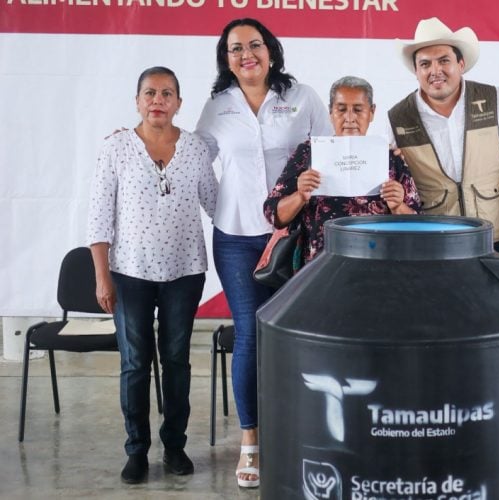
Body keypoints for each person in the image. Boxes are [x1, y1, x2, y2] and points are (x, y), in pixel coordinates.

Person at [194, 18, 332, 488]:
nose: (246, 54)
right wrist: (145, 138)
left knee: (296, 333)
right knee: (251, 333)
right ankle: (251, 440)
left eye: (254, 45)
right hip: (236, 238)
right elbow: (195, 159)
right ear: (226, 59)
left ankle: (297, 430)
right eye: (236, 48)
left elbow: (331, 152)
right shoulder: (218, 106)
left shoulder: (302, 98)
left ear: (271, 51)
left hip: (295, 235)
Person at [87, 66, 217, 484]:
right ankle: (137, 450)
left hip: (185, 271)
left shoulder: (195, 149)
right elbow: (99, 217)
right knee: (135, 363)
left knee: (176, 360)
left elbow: (216, 204)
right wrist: (102, 276)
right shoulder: (116, 148)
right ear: (137, 101)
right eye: (149, 93)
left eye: (166, 93)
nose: (157, 100)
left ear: (179, 102)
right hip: (129, 273)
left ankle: (174, 445)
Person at [388, 17, 499, 252]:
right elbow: (387, 170)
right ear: (416, 71)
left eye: (444, 60)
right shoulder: (398, 118)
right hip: (432, 240)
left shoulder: (493, 100)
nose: (435, 71)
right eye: (425, 64)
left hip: (491, 234)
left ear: (461, 64)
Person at [264, 76, 420, 260]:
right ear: (330, 112)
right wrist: (300, 196)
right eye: (341, 109)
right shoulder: (309, 153)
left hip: (377, 263)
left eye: (358, 109)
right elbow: (273, 215)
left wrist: (398, 206)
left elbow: (417, 225)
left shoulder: (389, 157)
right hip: (321, 265)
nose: (350, 118)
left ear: (372, 112)